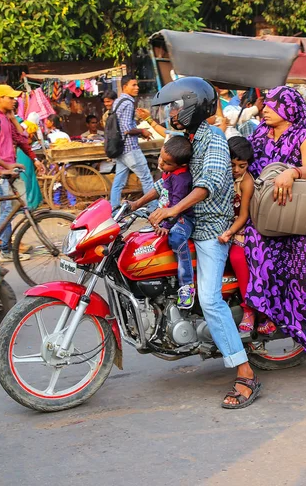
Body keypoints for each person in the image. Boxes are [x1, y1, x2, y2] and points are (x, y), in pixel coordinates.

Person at [145, 77, 261, 410]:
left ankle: (245, 372)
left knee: (210, 300)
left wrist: (172, 209)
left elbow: (206, 184)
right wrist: (137, 204)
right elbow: (167, 177)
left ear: (193, 107)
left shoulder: (213, 141)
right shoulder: (183, 138)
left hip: (210, 229)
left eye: (176, 106)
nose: (172, 112)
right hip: (186, 223)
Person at [244, 85, 306, 349]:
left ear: (287, 108)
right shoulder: (259, 134)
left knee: (304, 271)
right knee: (255, 249)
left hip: (297, 215)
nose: (264, 110)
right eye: (265, 105)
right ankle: (265, 314)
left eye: (271, 105)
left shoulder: (305, 135)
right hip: (266, 212)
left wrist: (292, 172)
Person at [130, 136, 196, 309]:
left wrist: (166, 226)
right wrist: (136, 205)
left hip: (182, 218)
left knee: (175, 238)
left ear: (181, 165)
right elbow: (161, 191)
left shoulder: (182, 179)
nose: (161, 164)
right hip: (166, 217)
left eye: (166, 163)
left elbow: (176, 206)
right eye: (161, 158)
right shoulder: (169, 171)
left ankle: (186, 286)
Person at [0, 85, 43, 263]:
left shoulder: (5, 117)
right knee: (8, 210)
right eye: (10, 98)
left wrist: (34, 159)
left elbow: (21, 138)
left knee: (14, 209)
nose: (14, 100)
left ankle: (6, 248)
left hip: (10, 170)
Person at [218, 137, 256, 335]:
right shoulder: (219, 174)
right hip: (220, 226)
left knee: (237, 257)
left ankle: (249, 309)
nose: (236, 170)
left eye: (242, 165)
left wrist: (230, 232)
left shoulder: (246, 182)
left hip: (239, 228)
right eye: (232, 164)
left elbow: (243, 216)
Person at [109, 75, 157, 210]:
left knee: (119, 181)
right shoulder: (128, 103)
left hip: (120, 148)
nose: (137, 88)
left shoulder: (118, 102)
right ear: (125, 87)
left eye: (137, 85)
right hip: (130, 148)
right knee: (146, 178)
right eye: (133, 85)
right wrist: (143, 131)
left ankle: (114, 209)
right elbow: (126, 129)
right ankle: (154, 209)